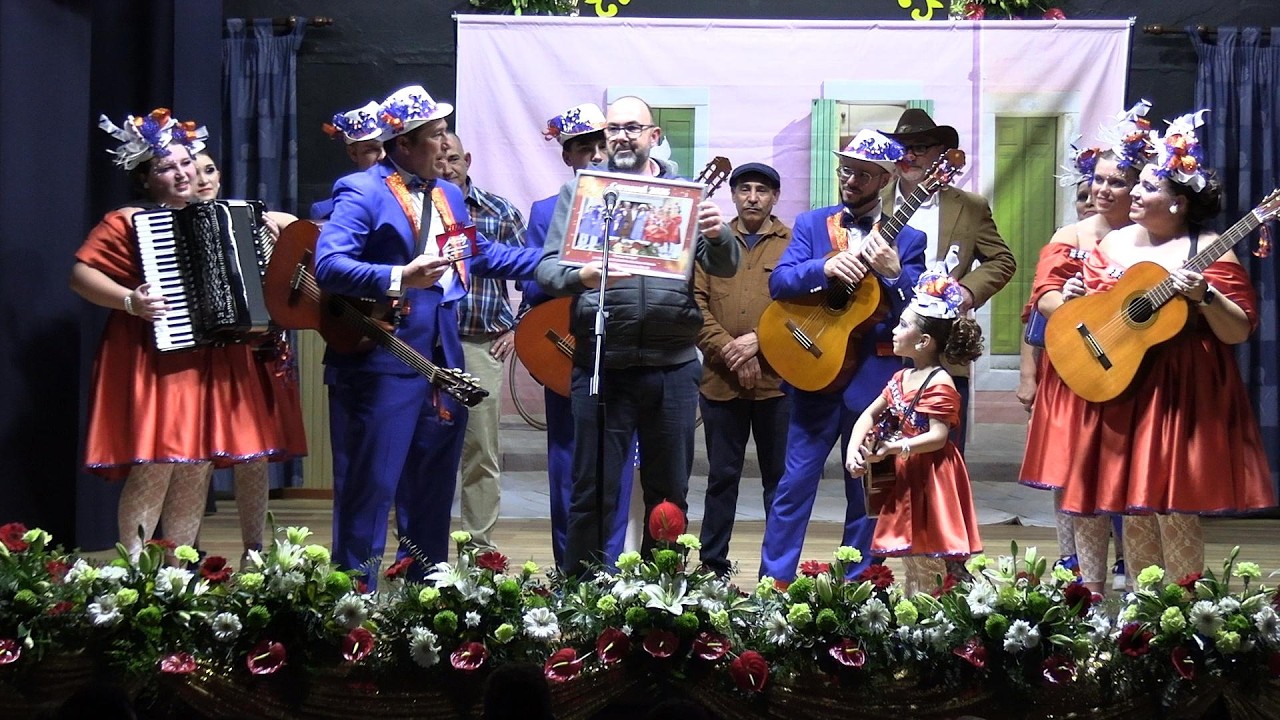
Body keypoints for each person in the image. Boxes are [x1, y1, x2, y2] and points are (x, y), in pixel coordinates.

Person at [314, 84, 542, 586]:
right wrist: (399, 277)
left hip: (443, 360)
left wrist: (563, 264)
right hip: (380, 360)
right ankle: (355, 601)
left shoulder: (449, 194)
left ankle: (424, 598)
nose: (445, 145)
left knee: (432, 490)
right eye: (435, 136)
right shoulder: (362, 190)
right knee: (370, 490)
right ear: (402, 144)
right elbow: (328, 264)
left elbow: (480, 256)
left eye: (444, 134)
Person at [1039, 109, 1274, 585]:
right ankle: (1129, 610)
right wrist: (1073, 298)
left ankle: (1180, 609)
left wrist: (1205, 294)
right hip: (1118, 381)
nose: (1134, 194)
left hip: (1177, 393)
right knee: (1127, 502)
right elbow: (1096, 309)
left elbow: (1238, 329)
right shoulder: (1116, 242)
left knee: (1174, 505)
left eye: (1146, 187)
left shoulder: (1209, 248)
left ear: (1178, 203)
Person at [73, 109, 294, 560]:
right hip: (152, 355)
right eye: (164, 167)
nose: (179, 172)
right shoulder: (128, 221)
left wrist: (279, 228)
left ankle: (178, 567)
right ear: (146, 180)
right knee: (156, 461)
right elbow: (81, 274)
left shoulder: (226, 217)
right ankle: (135, 567)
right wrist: (129, 299)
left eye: (184, 163)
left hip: (211, 358)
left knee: (196, 462)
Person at [534, 95, 739, 575]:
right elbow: (546, 270)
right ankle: (582, 596)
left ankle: (659, 597)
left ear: (654, 136)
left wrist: (717, 233)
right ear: (603, 139)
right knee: (593, 490)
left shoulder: (686, 195)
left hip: (672, 365)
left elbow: (726, 266)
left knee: (669, 495)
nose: (622, 136)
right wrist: (578, 277)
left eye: (633, 127)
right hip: (603, 363)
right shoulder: (583, 193)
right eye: (613, 129)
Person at [758, 129, 927, 583]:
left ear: (886, 180)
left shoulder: (910, 239)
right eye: (845, 170)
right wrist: (823, 267)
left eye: (863, 174)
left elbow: (924, 313)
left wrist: (895, 276)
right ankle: (774, 582)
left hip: (875, 381)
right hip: (814, 372)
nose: (850, 180)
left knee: (870, 490)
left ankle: (858, 587)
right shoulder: (814, 224)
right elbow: (779, 283)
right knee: (793, 487)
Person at [1019, 102, 1155, 593]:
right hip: (1075, 364)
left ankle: (1132, 566)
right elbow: (1042, 297)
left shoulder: (1153, 240)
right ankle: (1072, 560)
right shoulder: (1068, 235)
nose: (1102, 189)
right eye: (1097, 179)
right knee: (1070, 467)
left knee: (1126, 467)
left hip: (1133, 365)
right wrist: (1067, 303)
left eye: (1115, 181)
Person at [522, 102, 639, 569]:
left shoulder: (638, 201)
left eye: (597, 145)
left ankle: (611, 568)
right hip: (568, 347)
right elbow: (531, 283)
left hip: (626, 345)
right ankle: (569, 567)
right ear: (567, 157)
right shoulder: (546, 209)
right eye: (580, 149)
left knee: (621, 460)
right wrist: (576, 273)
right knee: (566, 461)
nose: (591, 155)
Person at [190, 150, 308, 560]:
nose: (203, 179)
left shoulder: (255, 219)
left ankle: (253, 548)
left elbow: (303, 240)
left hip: (256, 349)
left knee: (254, 454)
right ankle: (186, 548)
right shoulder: (169, 224)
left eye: (210, 170)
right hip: (200, 354)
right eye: (194, 171)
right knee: (194, 454)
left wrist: (284, 241)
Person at [846, 267, 985, 595]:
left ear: (923, 341)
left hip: (933, 476)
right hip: (908, 471)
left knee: (930, 552)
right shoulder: (899, 378)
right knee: (911, 554)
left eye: (903, 325)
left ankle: (938, 613)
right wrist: (855, 448)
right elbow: (868, 414)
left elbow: (938, 437)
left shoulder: (940, 381)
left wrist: (895, 448)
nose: (894, 330)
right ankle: (917, 613)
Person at [885, 108, 1016, 452]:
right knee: (880, 451)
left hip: (943, 346)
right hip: (882, 339)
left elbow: (1002, 260)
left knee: (941, 448)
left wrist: (965, 292)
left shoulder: (970, 206)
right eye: (902, 147)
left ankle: (941, 506)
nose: (909, 156)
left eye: (921, 147)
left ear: (941, 155)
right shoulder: (874, 201)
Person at [693, 162, 792, 577]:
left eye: (762, 191)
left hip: (779, 382)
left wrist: (759, 346)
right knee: (722, 478)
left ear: (774, 197)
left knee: (779, 482)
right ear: (733, 196)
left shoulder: (793, 242)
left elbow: (799, 309)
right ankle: (712, 567)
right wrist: (730, 350)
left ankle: (778, 572)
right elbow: (695, 305)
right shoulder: (711, 241)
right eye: (745, 189)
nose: (753, 197)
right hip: (720, 380)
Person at [438, 131, 528, 552]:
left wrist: (517, 326)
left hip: (480, 344)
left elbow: (532, 273)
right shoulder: (417, 209)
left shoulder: (499, 211)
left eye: (453, 158)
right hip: (425, 347)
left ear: (467, 159)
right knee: (423, 450)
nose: (446, 166)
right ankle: (420, 548)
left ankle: (477, 551)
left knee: (481, 453)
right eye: (438, 158)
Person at [311, 100, 385, 220]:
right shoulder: (330, 212)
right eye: (372, 149)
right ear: (353, 153)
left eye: (389, 146)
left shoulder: (420, 197)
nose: (383, 156)